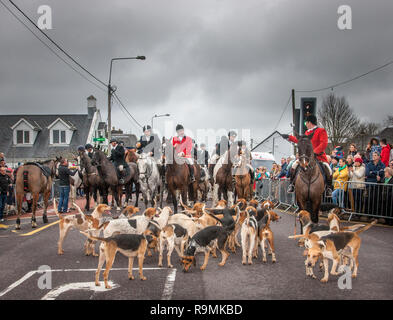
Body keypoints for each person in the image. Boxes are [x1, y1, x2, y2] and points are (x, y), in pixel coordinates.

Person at [281, 114, 332, 195]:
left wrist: (314, 152)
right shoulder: (307, 133)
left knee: (328, 169)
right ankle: (292, 185)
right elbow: (300, 141)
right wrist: (289, 137)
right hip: (306, 157)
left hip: (318, 157)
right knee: (293, 165)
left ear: (309, 122)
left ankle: (328, 188)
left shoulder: (321, 131)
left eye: (306, 123)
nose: (306, 125)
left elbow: (323, 144)